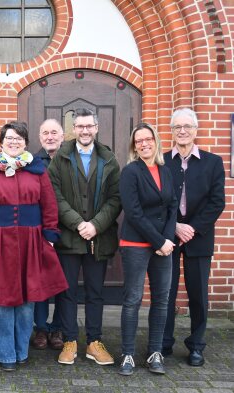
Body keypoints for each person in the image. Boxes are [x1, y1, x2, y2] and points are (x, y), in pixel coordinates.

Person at [0, 122, 68, 371]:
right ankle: (6, 354)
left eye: (19, 138)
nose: (14, 141)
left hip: (32, 240)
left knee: (28, 298)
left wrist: (50, 233)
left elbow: (49, 204)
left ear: (26, 142)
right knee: (3, 299)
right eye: (9, 138)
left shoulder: (38, 169)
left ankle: (22, 351)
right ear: (2, 141)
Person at [48, 108, 121, 366]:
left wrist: (96, 225)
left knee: (95, 292)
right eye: (80, 126)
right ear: (73, 129)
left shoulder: (109, 159)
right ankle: (69, 341)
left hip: (98, 239)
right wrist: (79, 223)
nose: (85, 130)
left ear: (96, 128)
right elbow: (54, 196)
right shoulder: (61, 158)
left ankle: (93, 341)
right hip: (69, 238)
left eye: (89, 126)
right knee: (66, 292)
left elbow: (115, 199)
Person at [162, 108, 225, 367]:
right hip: (168, 236)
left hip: (199, 238)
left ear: (196, 130)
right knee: (166, 292)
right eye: (177, 127)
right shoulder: (163, 161)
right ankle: (163, 342)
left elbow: (216, 201)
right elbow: (157, 201)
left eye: (187, 126)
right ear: (172, 131)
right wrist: (175, 226)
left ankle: (196, 345)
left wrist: (193, 228)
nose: (182, 131)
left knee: (198, 294)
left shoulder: (212, 162)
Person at [117, 123, 178, 376]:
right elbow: (133, 213)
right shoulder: (130, 172)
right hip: (136, 245)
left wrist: (167, 239)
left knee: (162, 301)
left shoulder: (165, 171)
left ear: (156, 141)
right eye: (138, 141)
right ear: (134, 146)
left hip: (163, 245)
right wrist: (159, 241)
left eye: (148, 139)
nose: (144, 144)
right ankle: (128, 354)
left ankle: (155, 352)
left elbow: (173, 206)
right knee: (133, 300)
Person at [32, 118, 65, 350]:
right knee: (41, 282)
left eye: (55, 132)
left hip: (69, 231)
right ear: (40, 136)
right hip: (41, 232)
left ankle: (59, 328)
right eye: (46, 133)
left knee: (63, 283)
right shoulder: (32, 162)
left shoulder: (70, 160)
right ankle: (41, 328)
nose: (50, 136)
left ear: (62, 136)